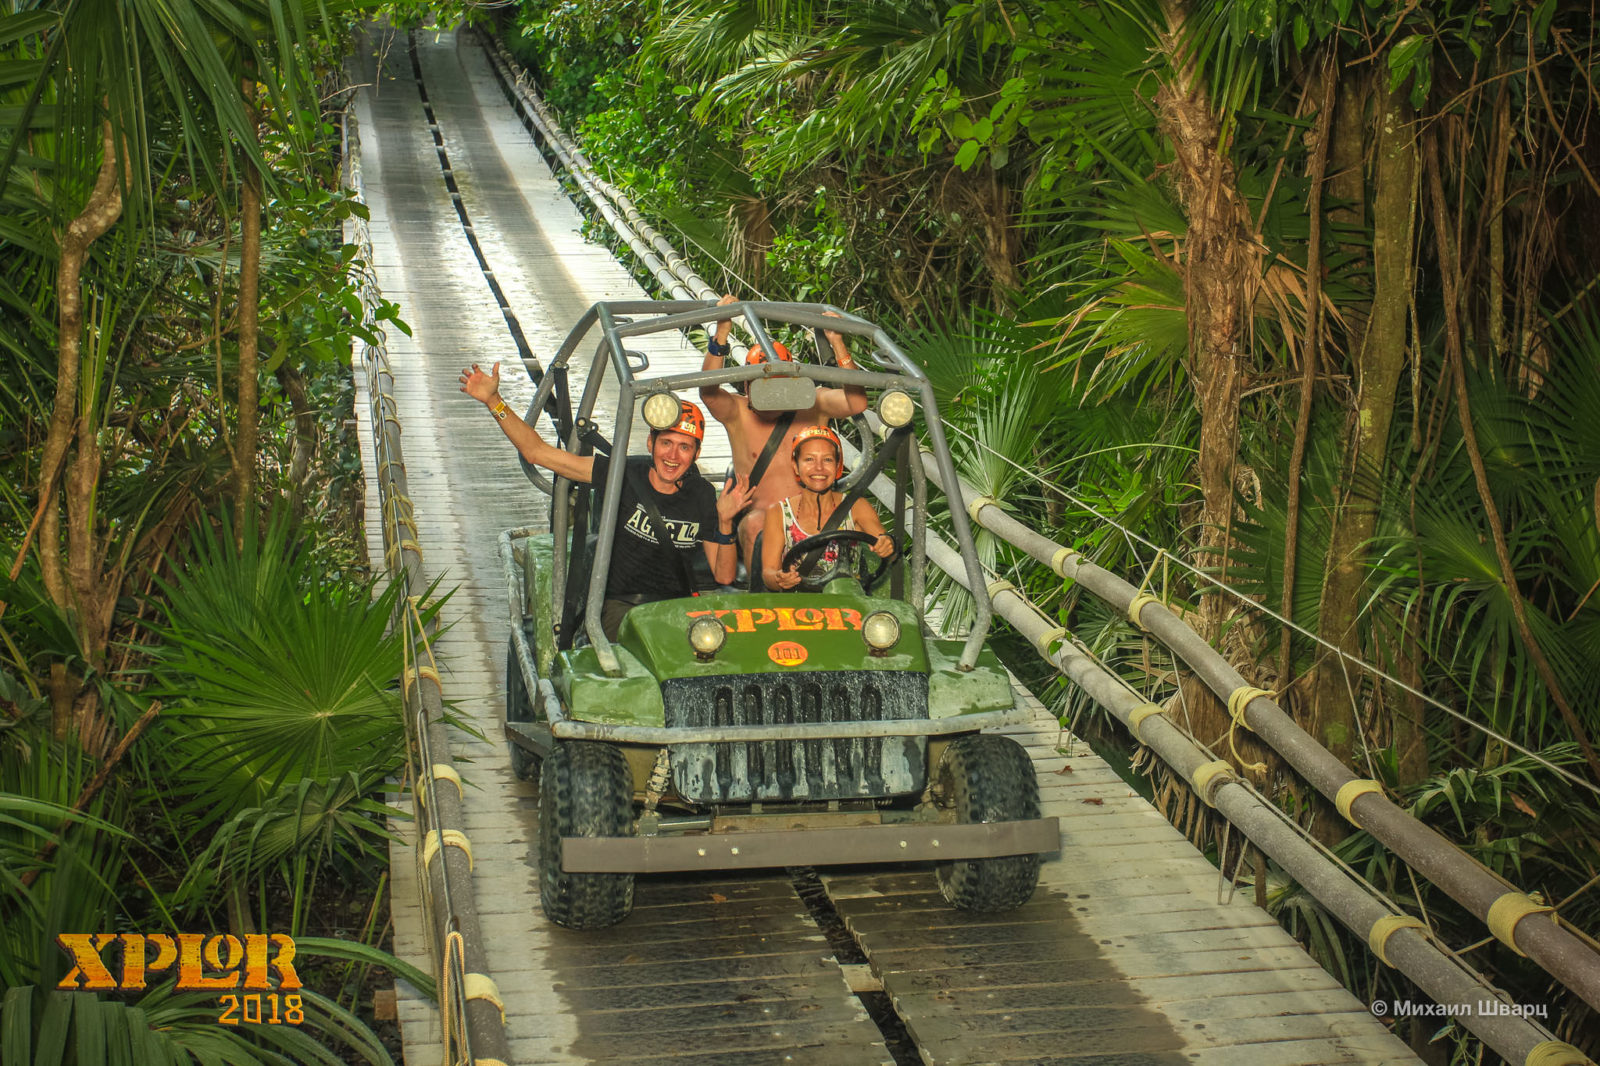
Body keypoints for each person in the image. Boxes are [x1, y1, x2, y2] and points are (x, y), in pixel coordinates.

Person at [459, 362, 750, 639]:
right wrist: (493, 401)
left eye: (684, 447)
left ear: (696, 454)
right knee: (649, 641)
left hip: (676, 609)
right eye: (666, 443)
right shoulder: (621, 474)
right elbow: (537, 452)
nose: (673, 457)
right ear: (651, 443)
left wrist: (725, 522)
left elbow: (723, 575)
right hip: (623, 607)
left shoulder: (699, 494)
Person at [700, 294, 869, 562]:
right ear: (746, 384)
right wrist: (722, 331)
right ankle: (762, 595)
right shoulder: (738, 412)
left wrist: (837, 343)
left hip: (813, 517)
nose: (772, 394)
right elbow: (709, 391)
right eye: (762, 385)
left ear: (792, 382)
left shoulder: (812, 403)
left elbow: (857, 402)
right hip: (761, 520)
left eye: (779, 384)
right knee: (756, 524)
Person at [762, 426, 894, 592]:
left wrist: (887, 544)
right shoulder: (778, 512)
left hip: (848, 604)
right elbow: (769, 572)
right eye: (809, 459)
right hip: (797, 607)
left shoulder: (856, 506)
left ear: (838, 467)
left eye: (827, 460)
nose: (819, 468)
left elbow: (887, 546)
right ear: (795, 466)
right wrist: (779, 578)